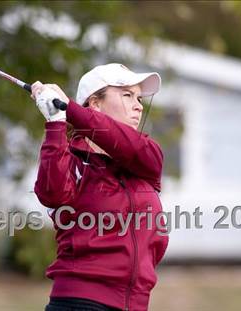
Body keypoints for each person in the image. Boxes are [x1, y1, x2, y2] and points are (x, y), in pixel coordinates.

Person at [31, 63, 169, 311]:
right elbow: (52, 194)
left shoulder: (145, 159)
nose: (138, 105)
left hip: (135, 304)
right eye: (127, 95)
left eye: (139, 97)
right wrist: (56, 122)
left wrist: (70, 109)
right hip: (80, 302)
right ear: (95, 104)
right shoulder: (70, 159)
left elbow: (126, 145)